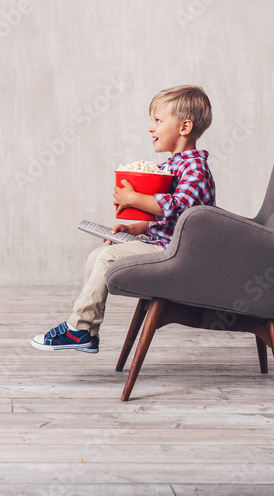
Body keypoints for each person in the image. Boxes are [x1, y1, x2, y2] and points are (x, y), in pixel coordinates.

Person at [31, 84, 216, 353]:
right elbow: (162, 218)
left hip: (178, 253)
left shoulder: (195, 169)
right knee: (97, 256)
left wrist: (132, 199)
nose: (151, 128)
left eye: (157, 121)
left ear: (184, 128)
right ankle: (88, 333)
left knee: (107, 259)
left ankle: (78, 327)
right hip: (163, 244)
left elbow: (174, 207)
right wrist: (133, 227)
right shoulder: (170, 166)